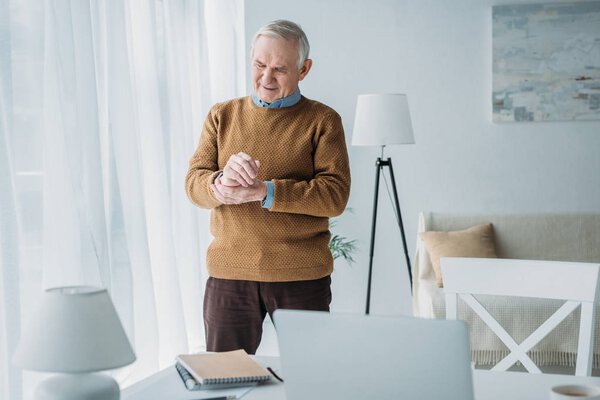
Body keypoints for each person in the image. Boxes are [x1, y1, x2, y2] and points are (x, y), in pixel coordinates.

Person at [185, 19, 351, 354]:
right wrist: (220, 184)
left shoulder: (323, 121)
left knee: (313, 378)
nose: (266, 77)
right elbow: (193, 183)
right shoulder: (222, 115)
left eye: (280, 69)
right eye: (260, 65)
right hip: (230, 273)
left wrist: (265, 192)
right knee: (225, 380)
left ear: (304, 69)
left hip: (301, 275)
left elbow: (334, 195)